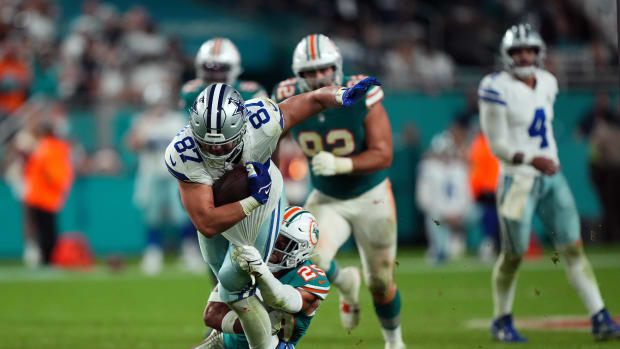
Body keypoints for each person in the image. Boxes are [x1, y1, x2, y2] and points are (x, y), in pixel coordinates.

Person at [164, 77, 379, 349]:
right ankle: (245, 341)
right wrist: (253, 199)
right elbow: (206, 222)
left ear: (242, 129)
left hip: (268, 199)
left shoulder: (261, 121)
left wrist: (339, 95)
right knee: (229, 286)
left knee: (235, 285)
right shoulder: (183, 152)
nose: (216, 150)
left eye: (224, 144)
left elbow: (310, 101)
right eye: (208, 145)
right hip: (235, 204)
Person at [479, 23, 620, 343]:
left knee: (573, 248)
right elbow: (497, 145)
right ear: (507, 55)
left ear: (539, 53)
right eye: (518, 51)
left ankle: (599, 316)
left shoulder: (547, 82)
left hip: (551, 178)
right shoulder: (495, 87)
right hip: (517, 180)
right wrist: (531, 160)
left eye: (530, 50)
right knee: (513, 255)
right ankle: (501, 320)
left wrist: (543, 162)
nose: (525, 56)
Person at [272, 34, 404, 349]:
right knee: (306, 257)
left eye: (325, 70)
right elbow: (273, 139)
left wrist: (343, 164)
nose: (318, 77)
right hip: (327, 197)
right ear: (297, 73)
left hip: (371, 196)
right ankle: (345, 283)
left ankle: (394, 342)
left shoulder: (362, 92)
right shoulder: (287, 94)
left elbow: (384, 153)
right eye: (310, 72)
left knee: (380, 282)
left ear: (338, 67)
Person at [193, 206, 329, 349]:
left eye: (283, 243)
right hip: (225, 343)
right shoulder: (252, 259)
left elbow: (280, 298)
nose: (273, 247)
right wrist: (261, 327)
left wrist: (261, 271)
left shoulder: (310, 278)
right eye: (274, 237)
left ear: (300, 250)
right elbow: (213, 314)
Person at [125, 84, 203, 275]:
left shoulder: (176, 120)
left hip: (175, 173)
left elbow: (191, 144)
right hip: (150, 172)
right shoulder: (142, 121)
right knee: (152, 214)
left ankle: (189, 251)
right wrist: (142, 137)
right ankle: (153, 252)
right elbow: (131, 143)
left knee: (182, 213)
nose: (158, 106)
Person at [416, 130, 473, 265]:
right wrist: (445, 214)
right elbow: (424, 200)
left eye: (448, 151)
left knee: (477, 211)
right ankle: (439, 247)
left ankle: (482, 245)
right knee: (433, 216)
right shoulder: (428, 168)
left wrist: (457, 213)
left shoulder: (460, 169)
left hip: (459, 214)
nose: (446, 155)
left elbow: (467, 195)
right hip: (439, 215)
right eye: (443, 152)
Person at [23, 117, 73, 266]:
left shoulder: (48, 148)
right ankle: (47, 257)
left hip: (43, 194)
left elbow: (52, 172)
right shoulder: (53, 147)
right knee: (46, 228)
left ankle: (48, 258)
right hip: (44, 194)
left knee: (46, 229)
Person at [179, 37, 267, 111]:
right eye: (209, 68)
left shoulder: (251, 93)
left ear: (234, 68)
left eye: (222, 68)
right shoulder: (191, 92)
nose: (215, 75)